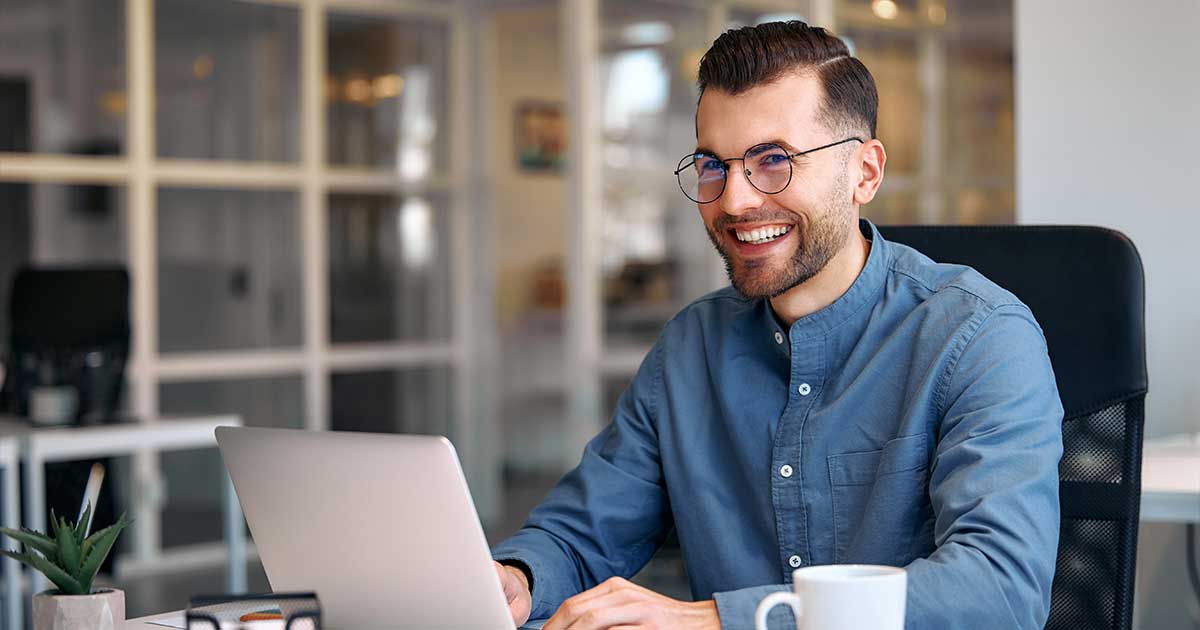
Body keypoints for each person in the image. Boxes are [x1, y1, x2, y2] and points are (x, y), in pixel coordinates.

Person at [491, 20, 1063, 630]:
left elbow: (998, 591)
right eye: (714, 165)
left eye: (774, 161)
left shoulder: (978, 337)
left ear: (865, 174)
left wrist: (719, 621)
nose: (734, 201)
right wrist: (517, 580)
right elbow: (583, 534)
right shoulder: (690, 348)